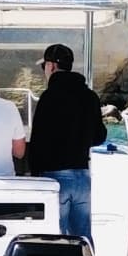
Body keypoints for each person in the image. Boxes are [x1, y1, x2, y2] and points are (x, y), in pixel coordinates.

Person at [27, 43, 107, 240]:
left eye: (44, 66)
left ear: (52, 66)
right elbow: (99, 136)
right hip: (82, 176)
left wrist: (33, 174)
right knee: (83, 237)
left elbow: (38, 140)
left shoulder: (48, 97)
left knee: (58, 237)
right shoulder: (90, 96)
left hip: (55, 178)